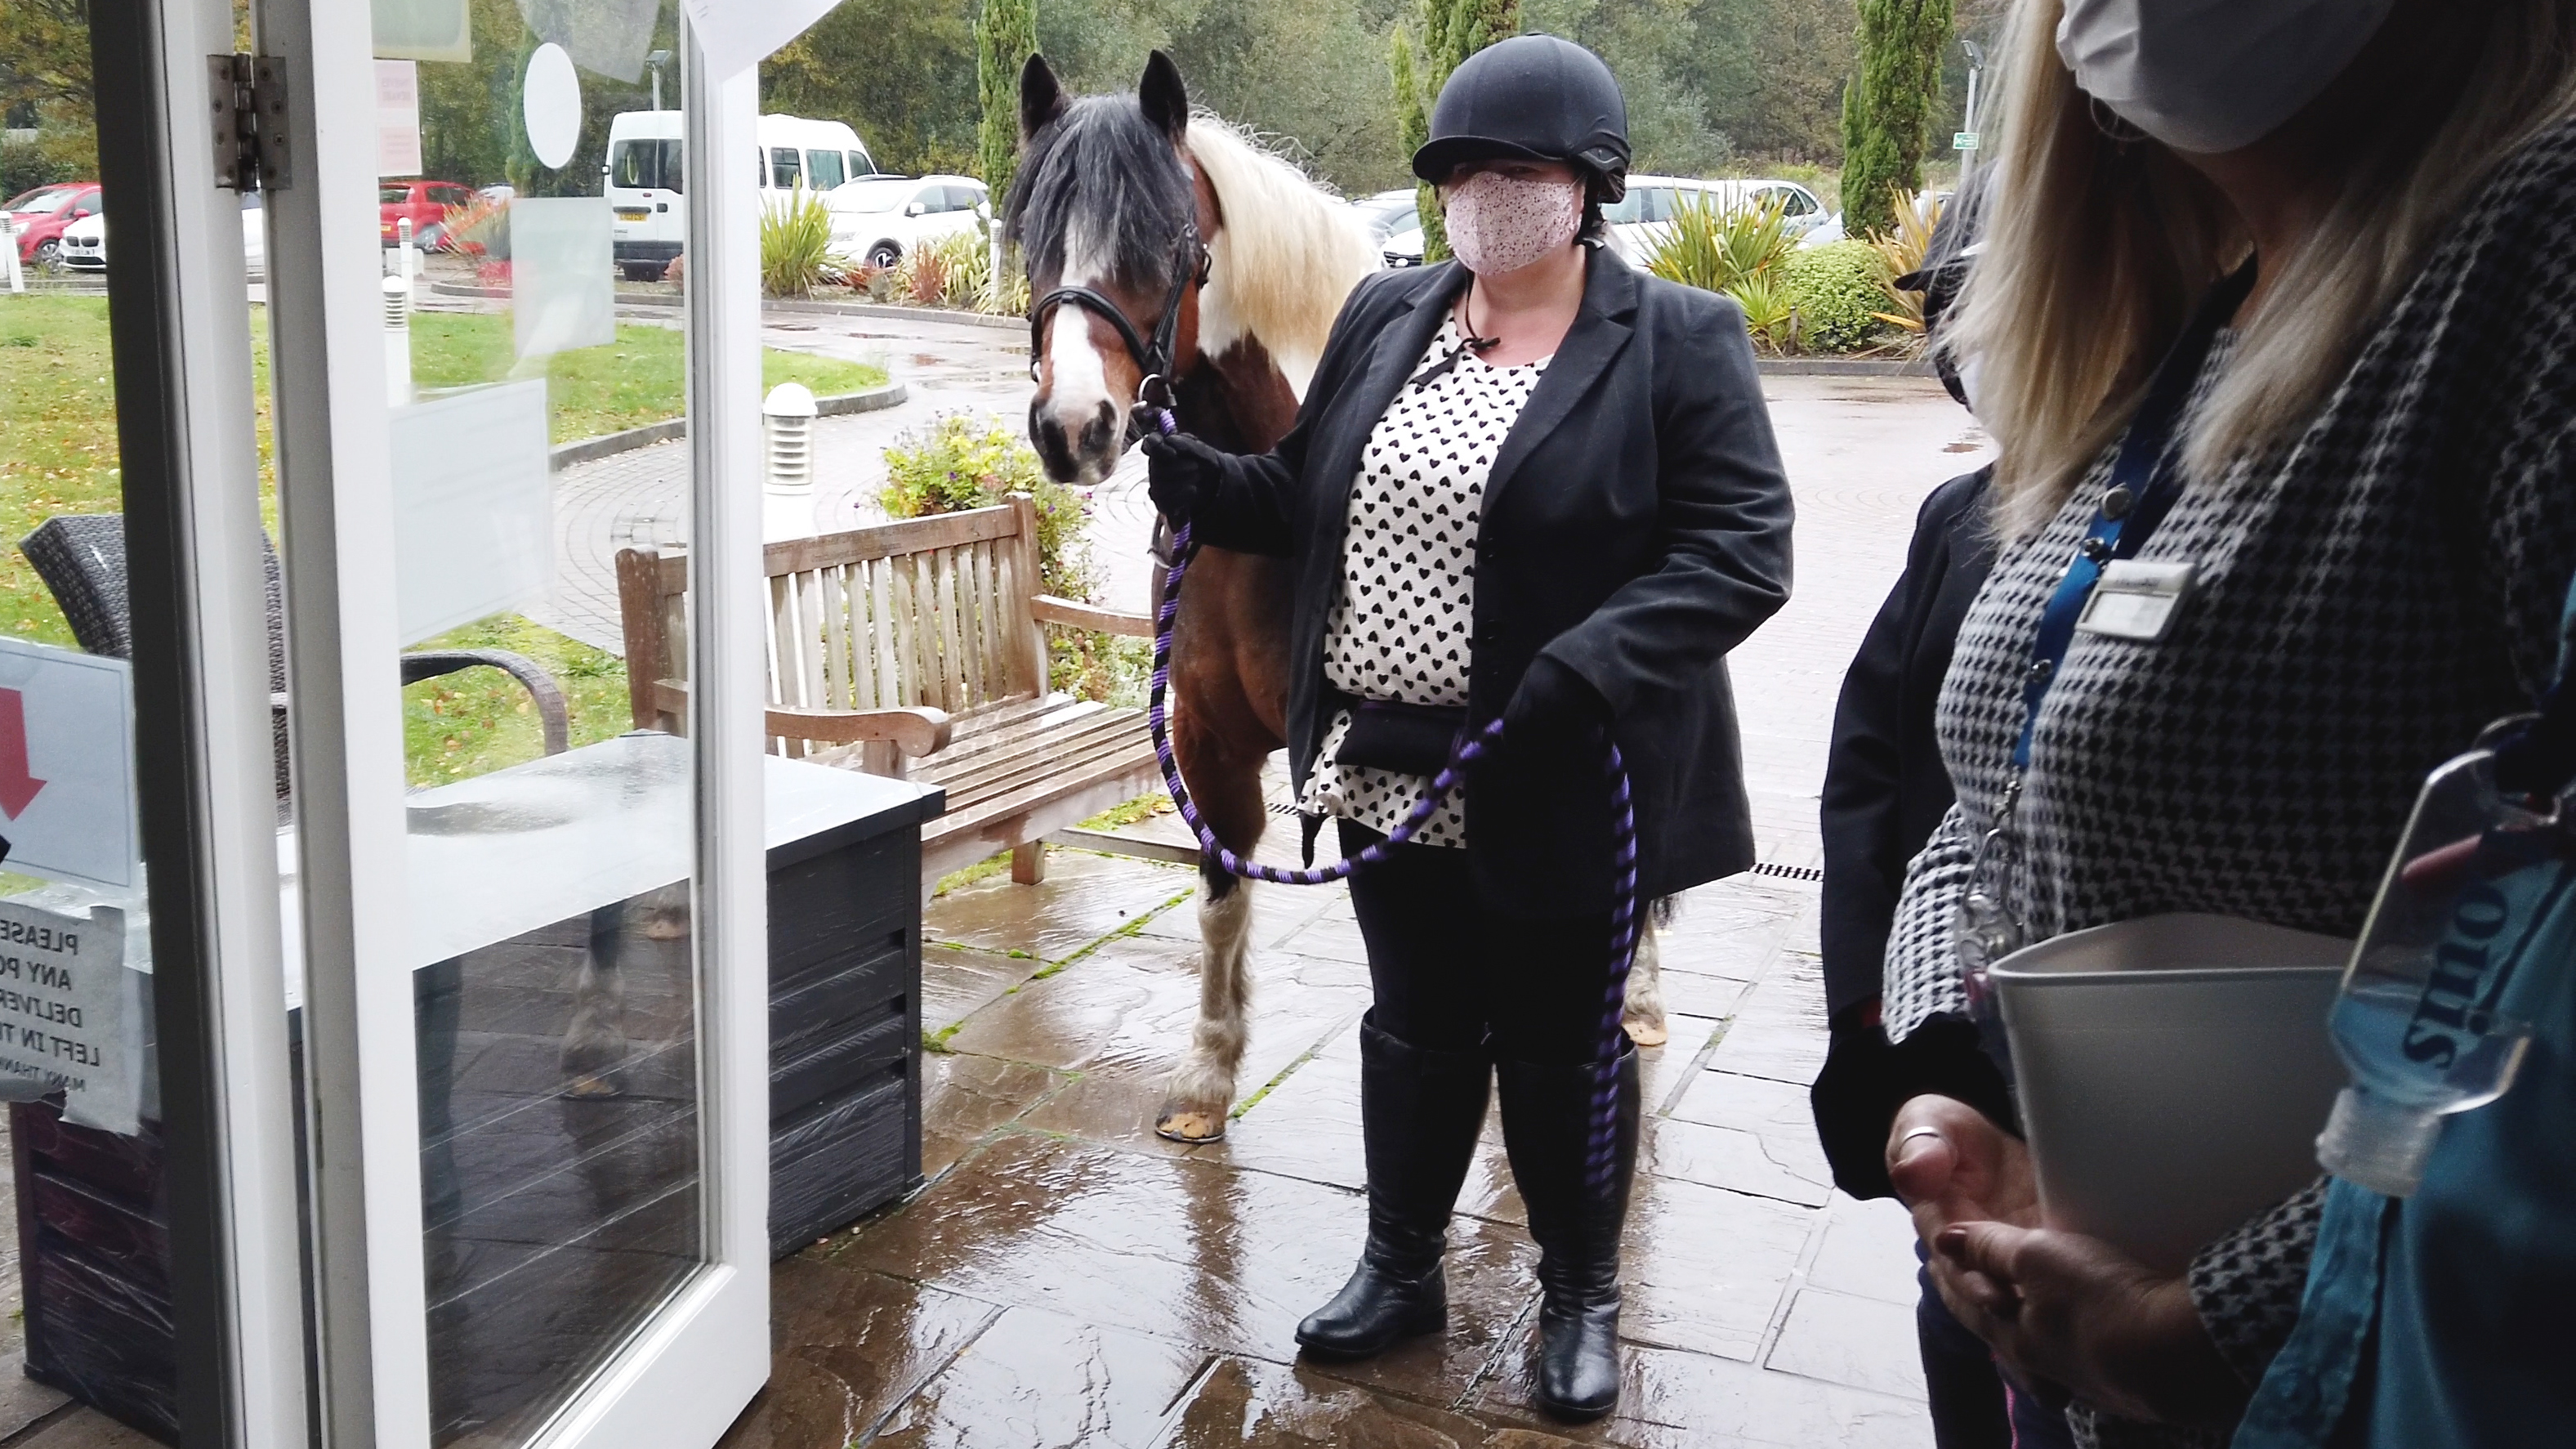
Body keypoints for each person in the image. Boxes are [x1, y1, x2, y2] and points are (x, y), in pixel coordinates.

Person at [1873, 0, 2576, 1444]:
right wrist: (1948, 1068)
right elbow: (1991, 790)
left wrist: (2235, 1315)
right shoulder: (2192, 325)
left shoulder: (2537, 245)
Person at [1141, 33, 1792, 1423]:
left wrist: (1588, 667)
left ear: (1587, 184)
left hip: (1555, 771)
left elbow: (1744, 548)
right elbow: (1301, 496)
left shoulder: (1678, 340)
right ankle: (1400, 1265)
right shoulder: (1390, 316)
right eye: (1458, 171)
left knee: (1562, 1045)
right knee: (1416, 1026)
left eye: (1518, 171)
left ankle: (1577, 1293)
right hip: (1384, 772)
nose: (1485, 194)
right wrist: (1193, 474)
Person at [1810, 172, 2076, 1449]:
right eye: (1950, 315)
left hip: (2119, 1085)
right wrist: (1875, 1015)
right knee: (1960, 1318)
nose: (1969, 347)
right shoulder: (1956, 515)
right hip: (1960, 1063)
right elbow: (1869, 774)